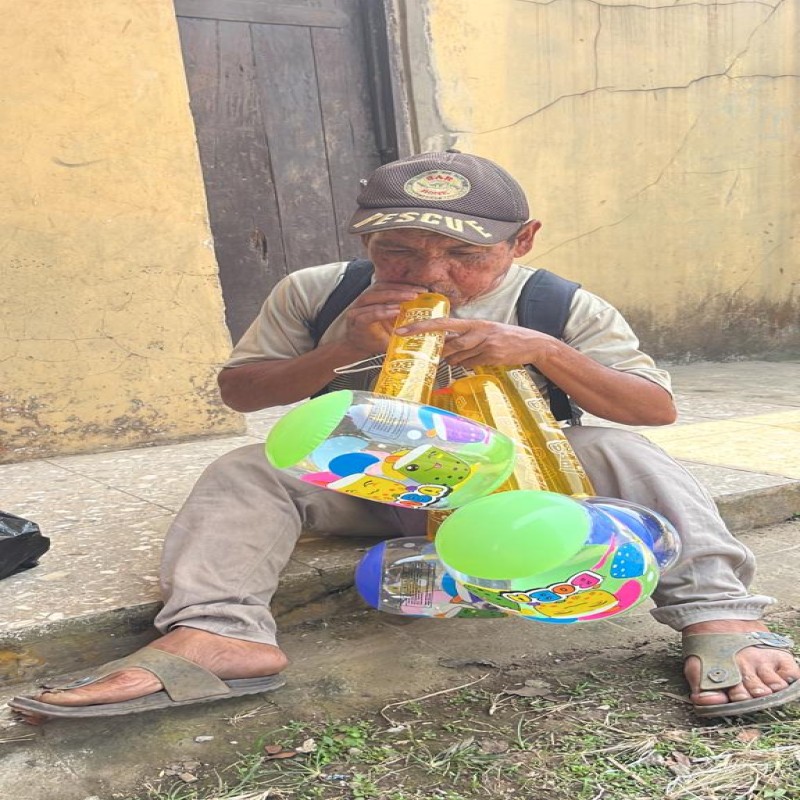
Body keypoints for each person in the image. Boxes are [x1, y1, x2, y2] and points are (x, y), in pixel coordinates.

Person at [10, 151, 799, 722]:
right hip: (372, 482)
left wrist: (546, 351)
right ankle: (218, 635)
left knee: (625, 449)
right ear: (363, 239)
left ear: (521, 241)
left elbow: (653, 408)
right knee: (247, 469)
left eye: (465, 254)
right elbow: (238, 391)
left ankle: (719, 614)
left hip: (519, 491)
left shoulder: (559, 304)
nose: (431, 274)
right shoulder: (320, 294)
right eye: (400, 250)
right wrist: (340, 349)